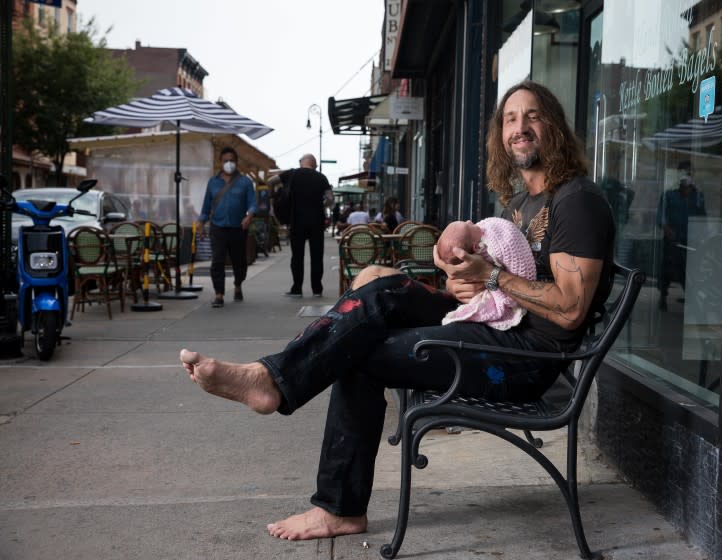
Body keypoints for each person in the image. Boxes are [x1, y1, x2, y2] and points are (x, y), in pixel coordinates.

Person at [179, 80, 614, 542]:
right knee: (380, 286)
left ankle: (337, 503)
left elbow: (568, 310)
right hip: (500, 327)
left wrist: (489, 276)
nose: (519, 128)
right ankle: (273, 379)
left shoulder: (577, 202)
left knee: (359, 350)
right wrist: (462, 278)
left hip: (527, 359)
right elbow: (499, 275)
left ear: (555, 128)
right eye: (510, 119)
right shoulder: (523, 202)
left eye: (532, 116)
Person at [436, 217, 536, 330]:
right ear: (475, 247)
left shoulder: (495, 239)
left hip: (531, 321)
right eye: (469, 226)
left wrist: (487, 274)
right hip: (471, 299)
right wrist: (452, 284)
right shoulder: (514, 203)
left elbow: (508, 270)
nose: (470, 221)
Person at [197, 146, 256, 308]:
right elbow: (206, 206)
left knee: (240, 262)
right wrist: (201, 224)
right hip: (218, 226)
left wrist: (248, 216)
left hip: (238, 227)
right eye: (225, 161)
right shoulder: (213, 182)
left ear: (236, 162)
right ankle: (219, 294)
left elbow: (252, 203)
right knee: (217, 260)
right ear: (220, 162)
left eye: (231, 161)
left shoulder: (245, 182)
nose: (228, 163)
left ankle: (238, 285)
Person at [269, 153, 334, 298]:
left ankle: (296, 288)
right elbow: (330, 199)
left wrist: (274, 199)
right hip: (316, 222)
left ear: (301, 162)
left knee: (297, 256)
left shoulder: (292, 174)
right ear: (314, 164)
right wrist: (321, 205)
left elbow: (271, 181)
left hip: (296, 221)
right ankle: (317, 289)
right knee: (317, 256)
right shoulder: (321, 178)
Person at [656, 160, 705, 310]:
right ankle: (662, 296)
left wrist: (702, 235)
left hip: (691, 239)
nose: (687, 176)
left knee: (688, 270)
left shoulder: (698, 196)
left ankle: (690, 298)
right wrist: (667, 229)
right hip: (672, 239)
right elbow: (661, 217)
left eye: (690, 173)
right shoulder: (669, 194)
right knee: (667, 269)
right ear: (679, 175)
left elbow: (702, 218)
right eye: (684, 173)